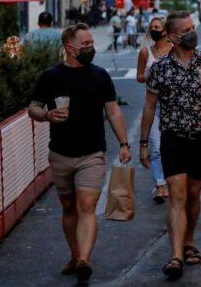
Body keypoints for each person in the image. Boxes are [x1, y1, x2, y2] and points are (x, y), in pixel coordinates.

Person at [28, 24, 131, 284]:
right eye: (85, 44)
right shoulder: (50, 77)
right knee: (68, 207)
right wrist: (46, 114)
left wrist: (124, 143)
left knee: (86, 206)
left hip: (92, 153)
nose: (91, 48)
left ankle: (84, 260)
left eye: (91, 43)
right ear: (70, 48)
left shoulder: (100, 76)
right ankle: (75, 256)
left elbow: (114, 111)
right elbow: (33, 108)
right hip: (60, 153)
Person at [139, 12, 201, 279]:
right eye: (187, 29)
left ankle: (189, 241)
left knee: (193, 196)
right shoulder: (160, 68)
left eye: (193, 28)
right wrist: (143, 143)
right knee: (176, 197)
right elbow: (149, 106)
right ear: (174, 36)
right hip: (173, 138)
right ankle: (176, 255)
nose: (192, 32)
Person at [136, 17, 172, 203]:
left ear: (166, 30)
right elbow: (139, 76)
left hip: (174, 106)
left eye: (158, 26)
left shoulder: (174, 51)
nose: (155, 29)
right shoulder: (145, 52)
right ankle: (160, 185)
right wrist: (148, 76)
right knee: (156, 146)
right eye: (152, 27)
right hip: (153, 105)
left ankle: (173, 181)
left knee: (172, 147)